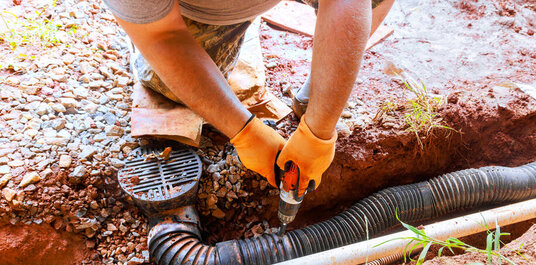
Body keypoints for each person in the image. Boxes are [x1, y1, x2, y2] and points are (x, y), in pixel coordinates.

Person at [103, 0, 394, 196]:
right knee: (167, 85)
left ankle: (313, 92)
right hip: (204, 9)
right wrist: (245, 133)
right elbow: (162, 35)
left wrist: (320, 129)